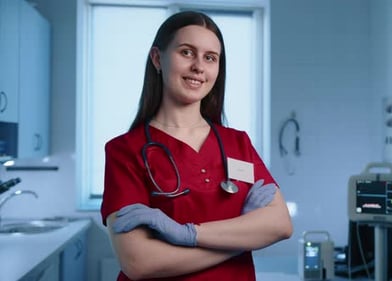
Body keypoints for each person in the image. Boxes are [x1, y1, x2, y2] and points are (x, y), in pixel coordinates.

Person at [100, 11, 293, 281]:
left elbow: (281, 224)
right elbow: (138, 262)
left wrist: (186, 234)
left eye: (210, 58)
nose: (199, 67)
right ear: (158, 58)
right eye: (187, 53)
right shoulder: (125, 151)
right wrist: (242, 238)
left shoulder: (238, 143)